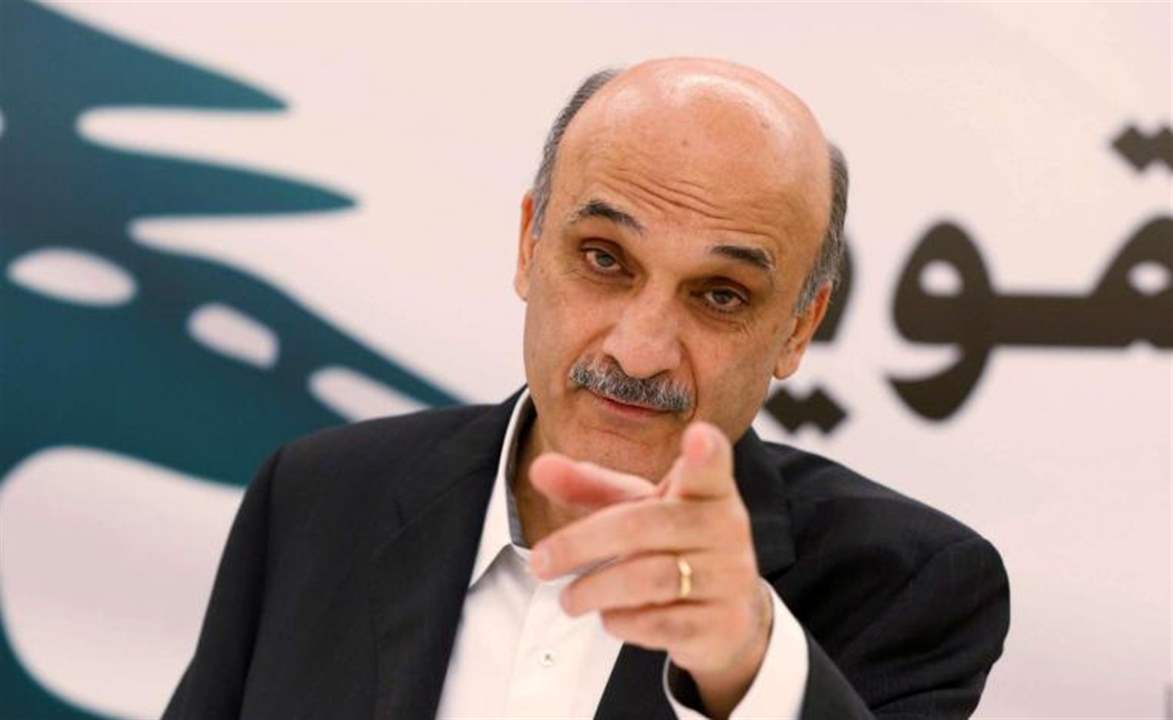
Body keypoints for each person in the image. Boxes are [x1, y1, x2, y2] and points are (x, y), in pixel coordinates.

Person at [164, 57, 1009, 720]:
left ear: (797, 326)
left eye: (720, 296)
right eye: (604, 260)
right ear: (529, 243)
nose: (637, 353)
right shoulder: (317, 497)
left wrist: (750, 664)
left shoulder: (904, 584)